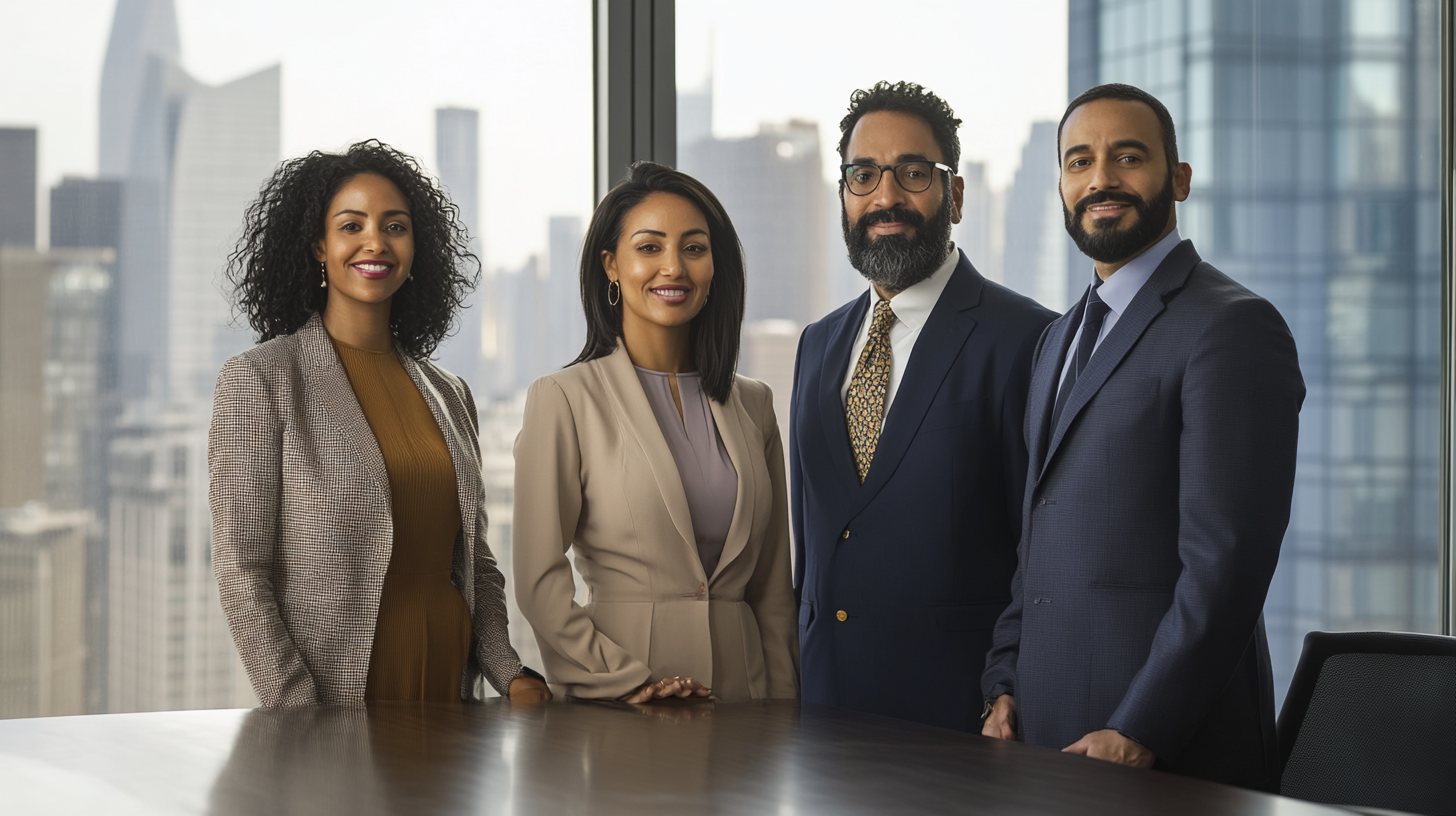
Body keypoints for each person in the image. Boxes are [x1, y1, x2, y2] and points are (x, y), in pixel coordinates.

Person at [980, 84, 1305, 790]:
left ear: (1178, 178)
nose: (1101, 179)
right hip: (1044, 738)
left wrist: (1141, 729)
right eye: (1079, 162)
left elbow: (1228, 565)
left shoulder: (1233, 328)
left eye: (1128, 157)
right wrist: (1002, 682)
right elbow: (1035, 543)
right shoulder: (1056, 339)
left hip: (1168, 751)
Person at [210, 140, 549, 706]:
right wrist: (298, 710)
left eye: (395, 226)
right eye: (351, 225)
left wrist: (509, 673)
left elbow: (475, 561)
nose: (376, 242)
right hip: (335, 703)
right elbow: (242, 570)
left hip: (449, 693)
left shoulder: (449, 393)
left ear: (416, 247)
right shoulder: (262, 380)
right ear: (318, 244)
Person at [790, 82, 1056, 730]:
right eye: (864, 174)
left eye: (912, 173)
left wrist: (1011, 681)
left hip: (964, 717)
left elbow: (1045, 551)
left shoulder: (1029, 339)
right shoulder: (817, 344)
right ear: (844, 195)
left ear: (955, 195)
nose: (885, 196)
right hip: (822, 715)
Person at [513, 161, 798, 703]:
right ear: (611, 266)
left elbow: (772, 588)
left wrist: (784, 708)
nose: (674, 267)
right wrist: (627, 680)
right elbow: (538, 582)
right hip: (626, 703)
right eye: (649, 248)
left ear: (716, 267)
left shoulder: (755, 404)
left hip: (745, 707)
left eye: (693, 248)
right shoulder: (565, 399)